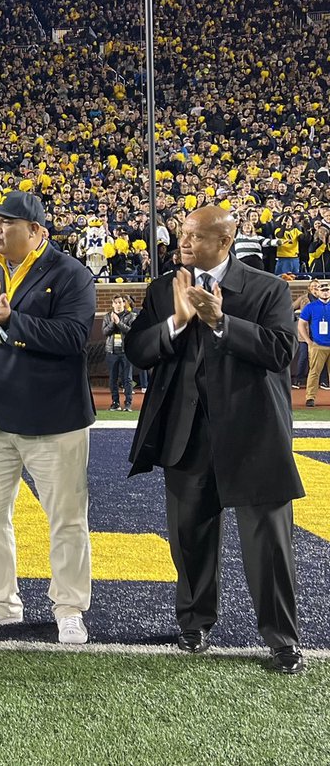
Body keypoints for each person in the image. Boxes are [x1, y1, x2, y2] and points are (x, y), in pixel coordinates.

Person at [126, 206, 305, 674]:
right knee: (189, 538)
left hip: (254, 434)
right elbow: (137, 351)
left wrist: (223, 321)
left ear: (225, 241)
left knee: (269, 544)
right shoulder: (164, 289)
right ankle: (195, 623)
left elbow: (282, 351)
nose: (184, 242)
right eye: (182, 234)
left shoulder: (269, 288)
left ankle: (282, 638)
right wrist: (177, 323)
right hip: (187, 435)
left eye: (196, 236)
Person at [0, 191, 96, 645]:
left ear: (37, 232)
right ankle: (0, 603)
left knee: (66, 518)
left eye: (7, 222)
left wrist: (10, 320)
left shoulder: (72, 273)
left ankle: (69, 607)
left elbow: (72, 337)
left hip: (52, 419)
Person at [298, 279, 330, 407]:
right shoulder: (310, 307)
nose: (325, 293)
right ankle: (310, 397)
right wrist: (308, 341)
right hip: (318, 345)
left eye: (327, 290)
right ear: (318, 292)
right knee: (314, 372)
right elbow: (301, 324)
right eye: (323, 290)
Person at [103, 295, 137, 412]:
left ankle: (128, 403)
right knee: (113, 379)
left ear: (124, 304)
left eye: (120, 302)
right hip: (111, 352)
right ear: (112, 304)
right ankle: (115, 403)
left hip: (126, 351)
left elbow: (132, 331)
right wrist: (113, 323)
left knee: (127, 378)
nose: (118, 305)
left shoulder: (131, 316)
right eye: (115, 303)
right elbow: (105, 332)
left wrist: (119, 323)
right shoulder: (108, 316)